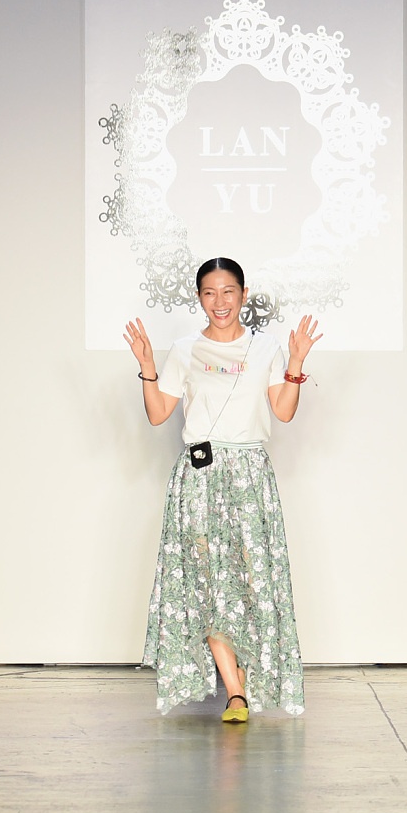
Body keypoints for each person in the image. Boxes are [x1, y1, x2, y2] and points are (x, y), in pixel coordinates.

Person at [123, 257, 318, 722]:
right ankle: (235, 693)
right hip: (199, 477)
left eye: (228, 291)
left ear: (243, 294)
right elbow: (157, 414)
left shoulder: (266, 348)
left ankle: (244, 679)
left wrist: (295, 364)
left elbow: (284, 412)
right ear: (199, 298)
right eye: (210, 293)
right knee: (207, 583)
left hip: (249, 475)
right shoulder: (186, 349)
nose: (220, 302)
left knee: (253, 581)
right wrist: (149, 367)